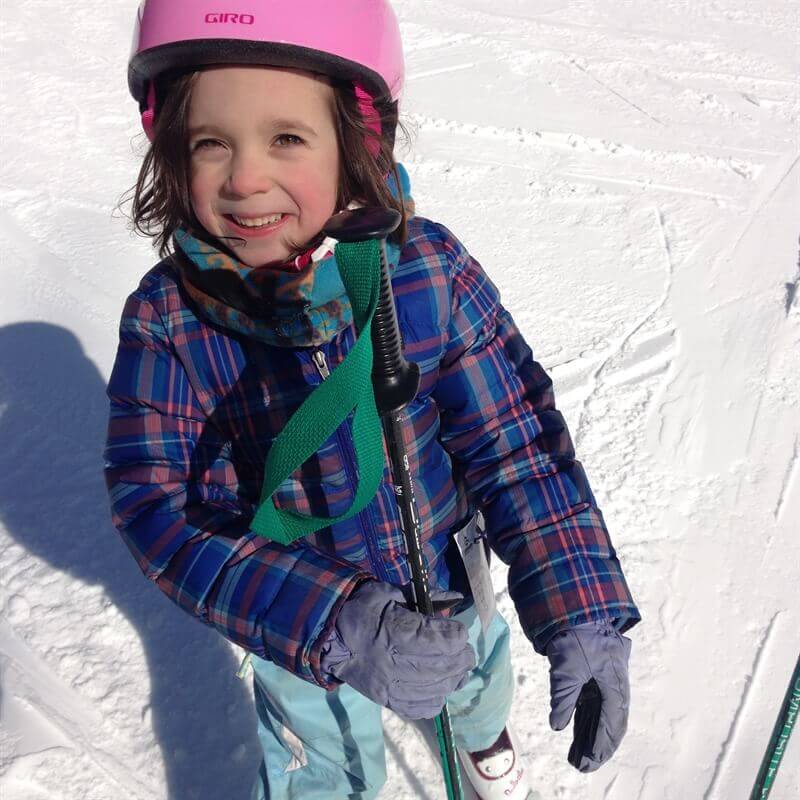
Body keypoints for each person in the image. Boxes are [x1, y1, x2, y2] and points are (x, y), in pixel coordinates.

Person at [104, 2, 641, 798]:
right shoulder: (170, 318)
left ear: (358, 142)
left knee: (471, 677)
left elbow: (515, 441)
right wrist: (330, 621)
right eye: (210, 143)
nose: (245, 176)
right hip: (299, 615)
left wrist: (580, 606)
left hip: (446, 576)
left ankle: (476, 725)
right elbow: (161, 509)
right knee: (320, 768)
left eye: (286, 138)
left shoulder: (426, 271)